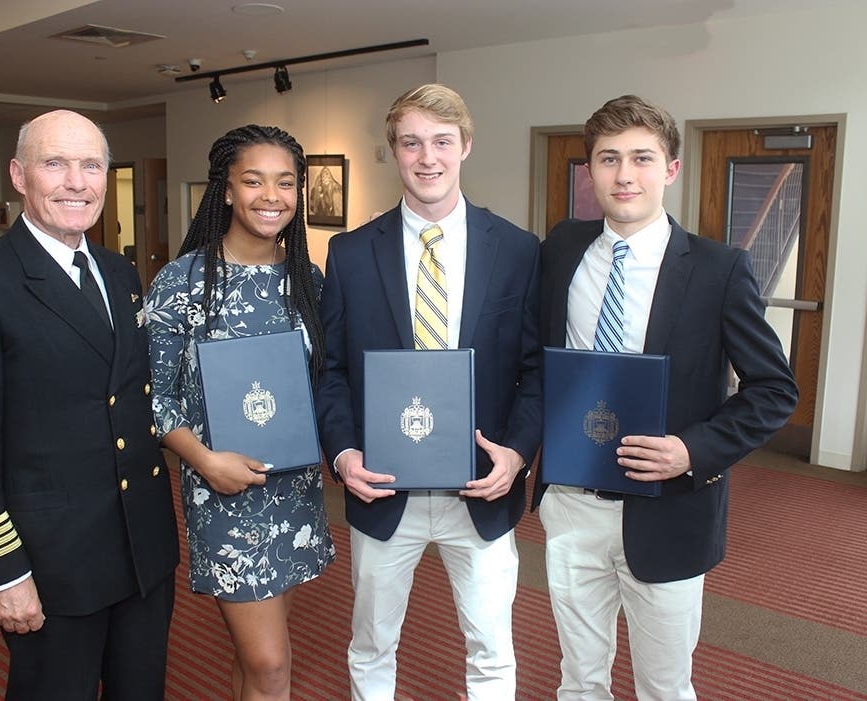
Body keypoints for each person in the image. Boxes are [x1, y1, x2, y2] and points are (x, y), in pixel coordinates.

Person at [533, 95, 799, 700]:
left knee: (663, 687)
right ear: (590, 169)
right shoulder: (562, 249)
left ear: (671, 169)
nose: (624, 175)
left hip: (668, 509)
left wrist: (692, 449)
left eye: (642, 158)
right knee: (578, 679)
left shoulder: (718, 268)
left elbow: (774, 389)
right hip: (573, 506)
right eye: (608, 159)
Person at [0, 109, 179, 699]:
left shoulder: (118, 272)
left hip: (142, 547)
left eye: (91, 166)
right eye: (54, 163)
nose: (76, 182)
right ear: (18, 175)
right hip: (51, 559)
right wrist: (1, 571)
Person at [315, 84, 542, 700]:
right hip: (384, 488)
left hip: (482, 485)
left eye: (442, 142)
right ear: (393, 151)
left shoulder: (518, 251)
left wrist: (517, 454)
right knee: (371, 645)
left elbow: (533, 370)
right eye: (411, 142)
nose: (427, 157)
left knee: (493, 649)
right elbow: (331, 370)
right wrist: (342, 454)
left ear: (466, 146)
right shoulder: (351, 253)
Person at [144, 124, 335, 701]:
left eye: (284, 182)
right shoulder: (183, 282)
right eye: (253, 181)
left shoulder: (306, 282)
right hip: (222, 490)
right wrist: (204, 461)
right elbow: (154, 397)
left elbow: (324, 384)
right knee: (272, 663)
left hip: (296, 491)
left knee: (256, 661)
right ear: (226, 190)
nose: (270, 195)